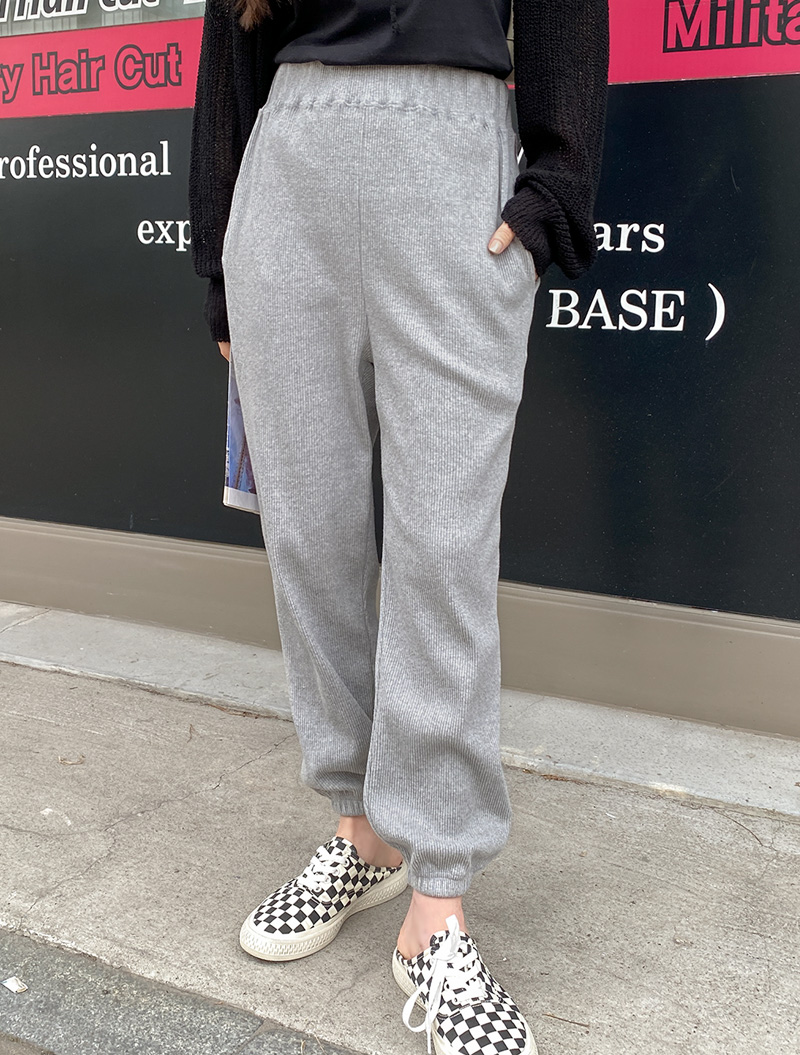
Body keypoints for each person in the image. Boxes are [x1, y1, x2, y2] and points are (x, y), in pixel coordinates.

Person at [189, 1, 609, 1052]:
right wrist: (219, 258)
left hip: (449, 155)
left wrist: (557, 184)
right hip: (287, 162)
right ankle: (362, 825)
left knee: (443, 547)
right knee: (310, 535)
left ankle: (438, 905)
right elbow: (228, 43)